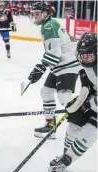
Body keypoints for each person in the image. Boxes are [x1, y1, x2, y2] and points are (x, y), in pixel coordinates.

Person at [28, 1, 81, 139]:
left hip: (68, 64)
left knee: (64, 96)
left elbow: (55, 52)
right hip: (61, 64)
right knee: (46, 92)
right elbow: (55, 53)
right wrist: (43, 66)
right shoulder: (50, 24)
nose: (35, 17)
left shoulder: (49, 25)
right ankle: (51, 125)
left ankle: (82, 122)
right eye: (34, 14)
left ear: (46, 14)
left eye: (38, 14)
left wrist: (41, 66)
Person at [49, 32, 97, 172]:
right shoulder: (84, 65)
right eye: (83, 55)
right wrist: (78, 101)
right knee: (73, 124)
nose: (85, 59)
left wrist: (88, 103)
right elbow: (87, 84)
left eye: (89, 56)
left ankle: (64, 162)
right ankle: (65, 155)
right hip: (93, 100)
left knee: (90, 132)